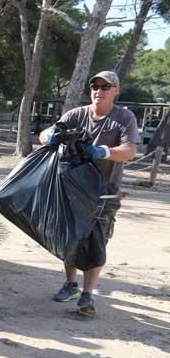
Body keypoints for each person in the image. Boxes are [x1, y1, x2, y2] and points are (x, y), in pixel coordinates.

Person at [39, 70, 141, 317]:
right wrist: (49, 136)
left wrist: (104, 152)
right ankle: (71, 284)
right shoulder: (76, 114)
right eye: (95, 86)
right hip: (72, 191)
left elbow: (129, 151)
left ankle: (87, 295)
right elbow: (44, 135)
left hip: (105, 194)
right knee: (70, 238)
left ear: (116, 90)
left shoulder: (123, 118)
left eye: (105, 87)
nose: (99, 91)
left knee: (96, 243)